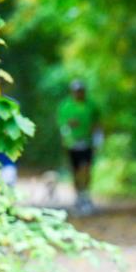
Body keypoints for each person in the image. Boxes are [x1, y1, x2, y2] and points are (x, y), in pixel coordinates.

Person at [57, 80, 102, 216]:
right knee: (75, 171)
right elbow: (62, 125)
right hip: (72, 143)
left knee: (86, 169)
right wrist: (67, 132)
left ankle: (86, 195)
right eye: (76, 91)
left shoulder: (91, 105)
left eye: (80, 90)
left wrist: (98, 140)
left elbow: (97, 123)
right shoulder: (65, 106)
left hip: (87, 142)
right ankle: (78, 197)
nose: (78, 93)